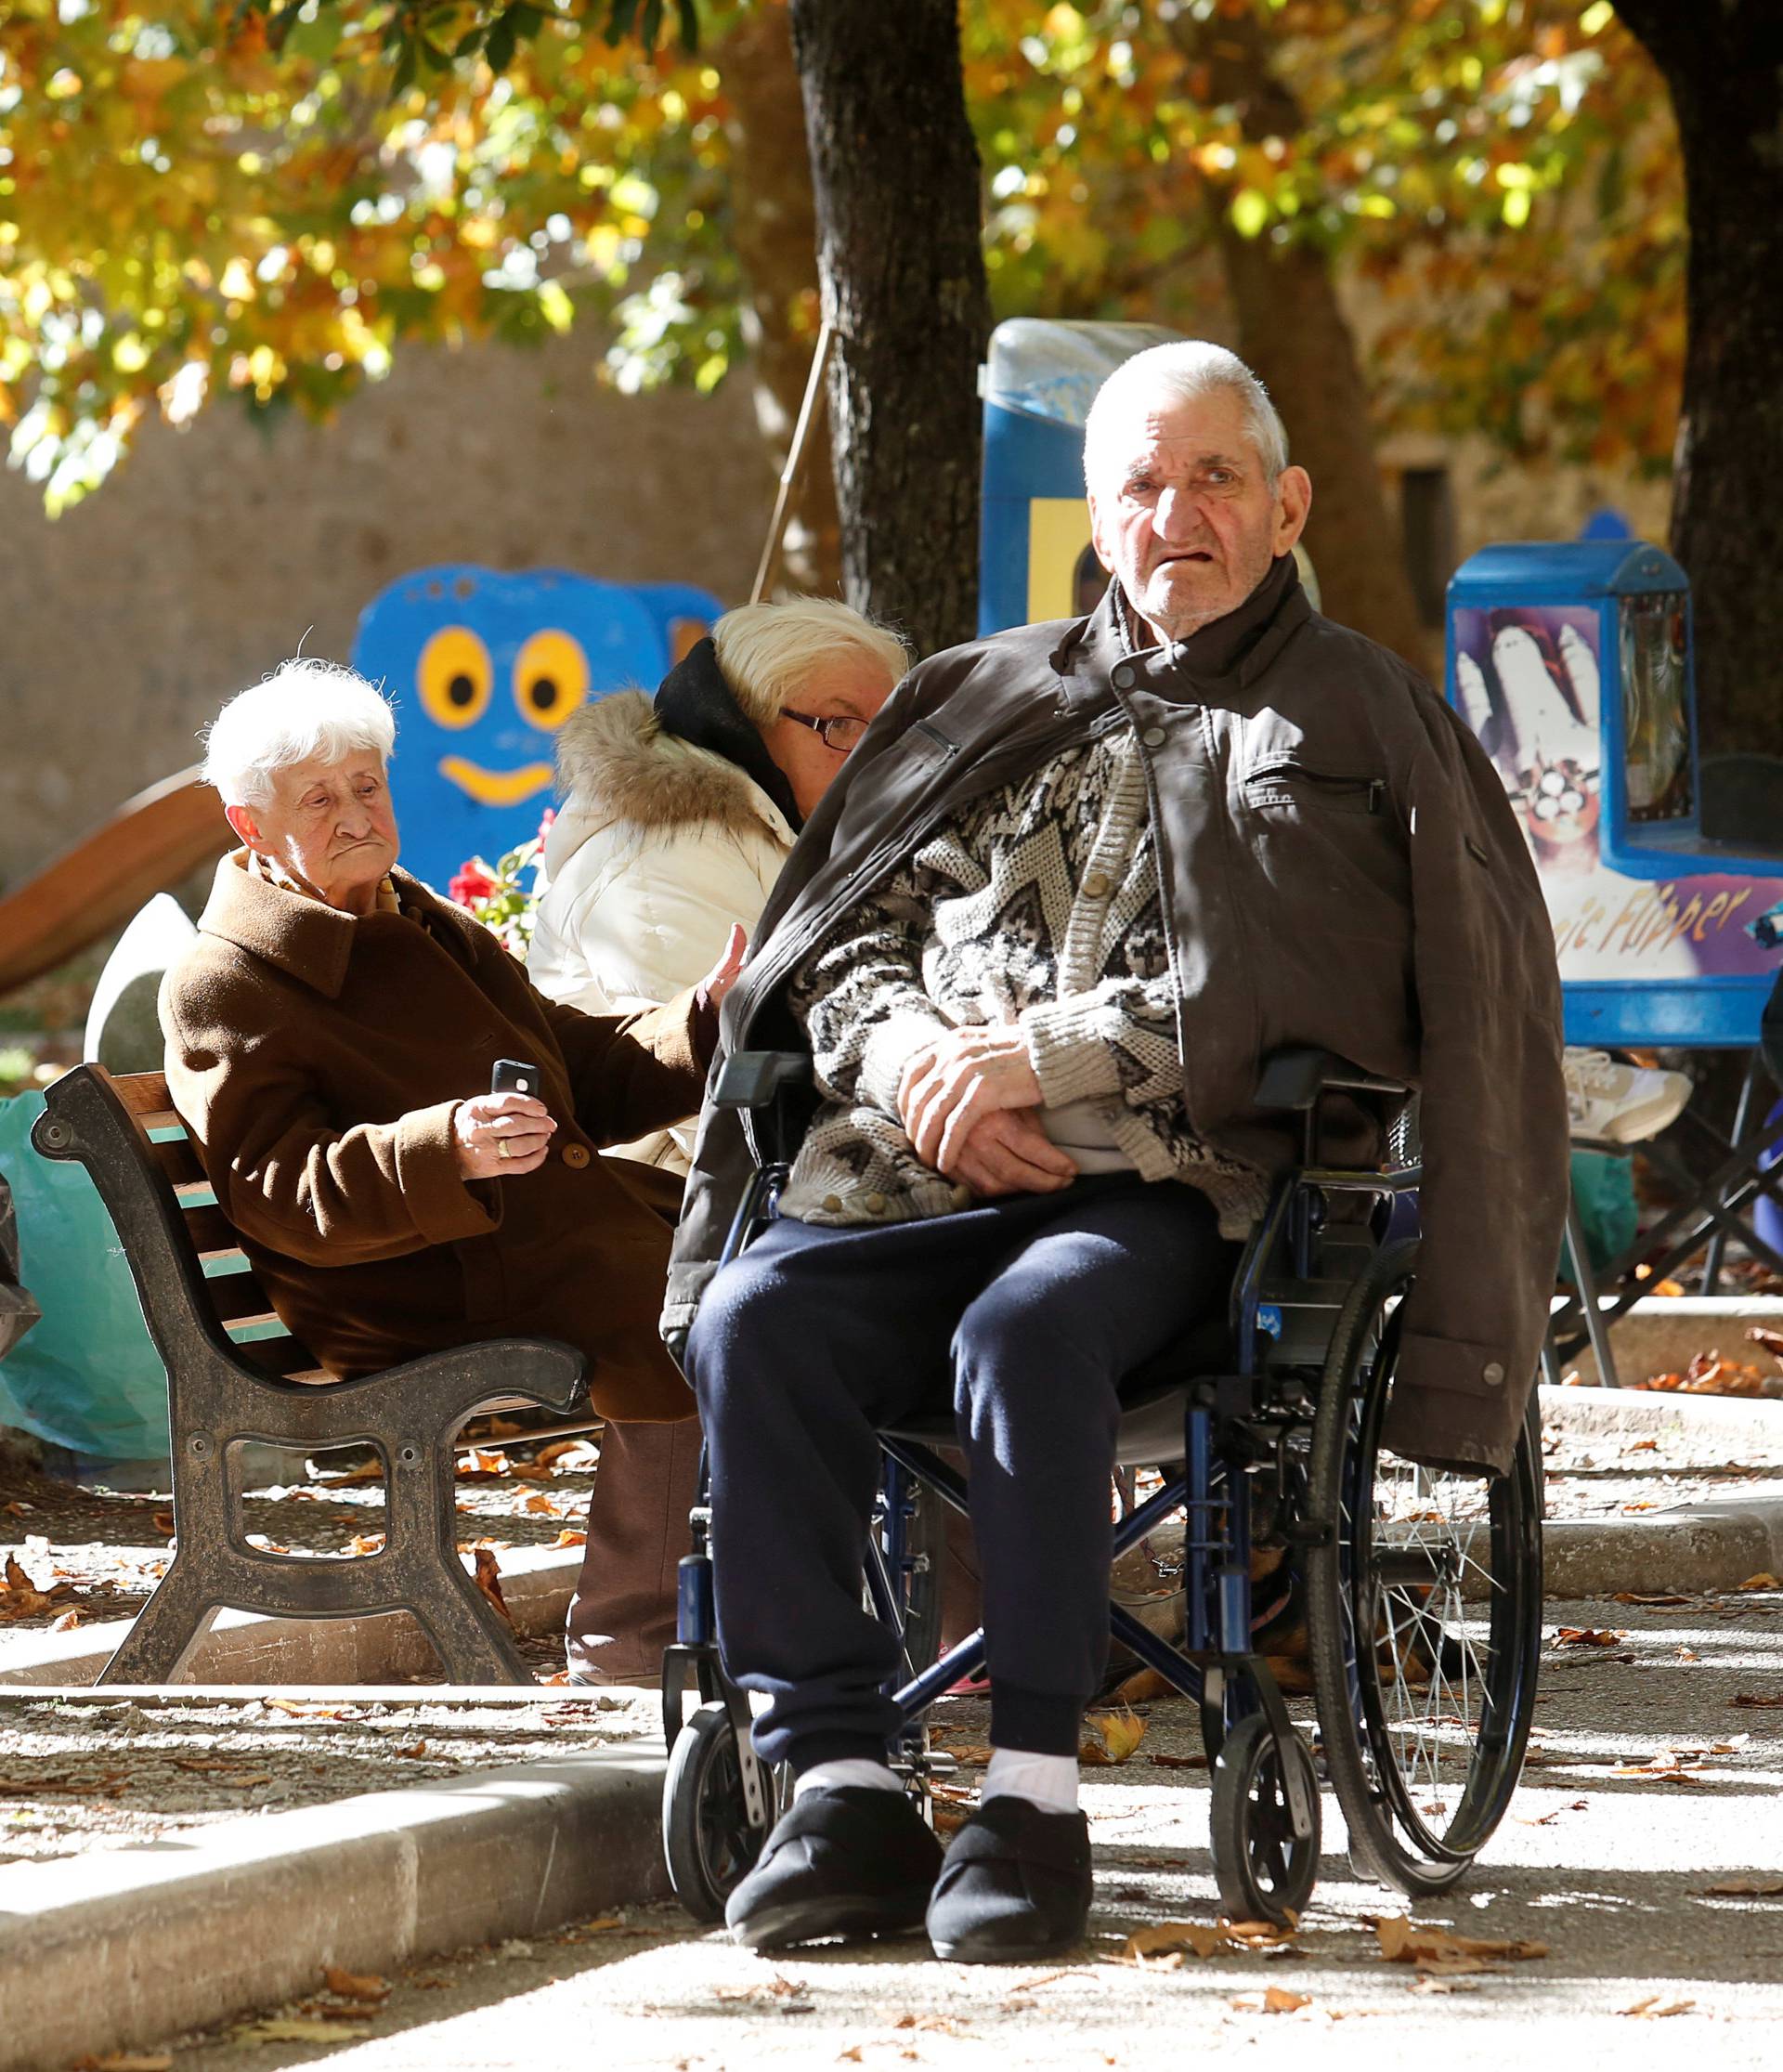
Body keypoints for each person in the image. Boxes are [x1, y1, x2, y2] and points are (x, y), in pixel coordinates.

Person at [667, 341, 1568, 1962]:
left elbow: (1352, 988)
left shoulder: (1358, 715)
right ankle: (838, 1783)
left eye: (1216, 476)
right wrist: (922, 1058)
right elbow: (839, 933)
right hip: (918, 1167)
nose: (1180, 514)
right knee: (759, 1322)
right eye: (1143, 483)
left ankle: (1030, 1799)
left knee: (1030, 1330)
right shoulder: (979, 692)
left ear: (1286, 505)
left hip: (1178, 1201)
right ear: (1098, 513)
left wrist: (1049, 1056)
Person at [161, 660, 739, 1479]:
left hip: (534, 1246)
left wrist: (708, 1018)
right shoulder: (225, 980)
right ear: (250, 824)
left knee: (783, 1258)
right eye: (320, 799)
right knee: (697, 1304)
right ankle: (642, 1600)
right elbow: (281, 1190)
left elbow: (571, 1068)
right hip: (419, 1293)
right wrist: (448, 1150)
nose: (357, 814)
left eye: (367, 785)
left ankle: (826, 1569)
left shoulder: (422, 918)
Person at [528, 599, 908, 1682]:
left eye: (884, 728)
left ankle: (966, 1630)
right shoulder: (679, 851)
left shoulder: (774, 825)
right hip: (658, 1196)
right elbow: (700, 1100)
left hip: (737, 1176)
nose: (864, 753)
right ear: (749, 721)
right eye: (838, 723)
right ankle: (959, 1636)